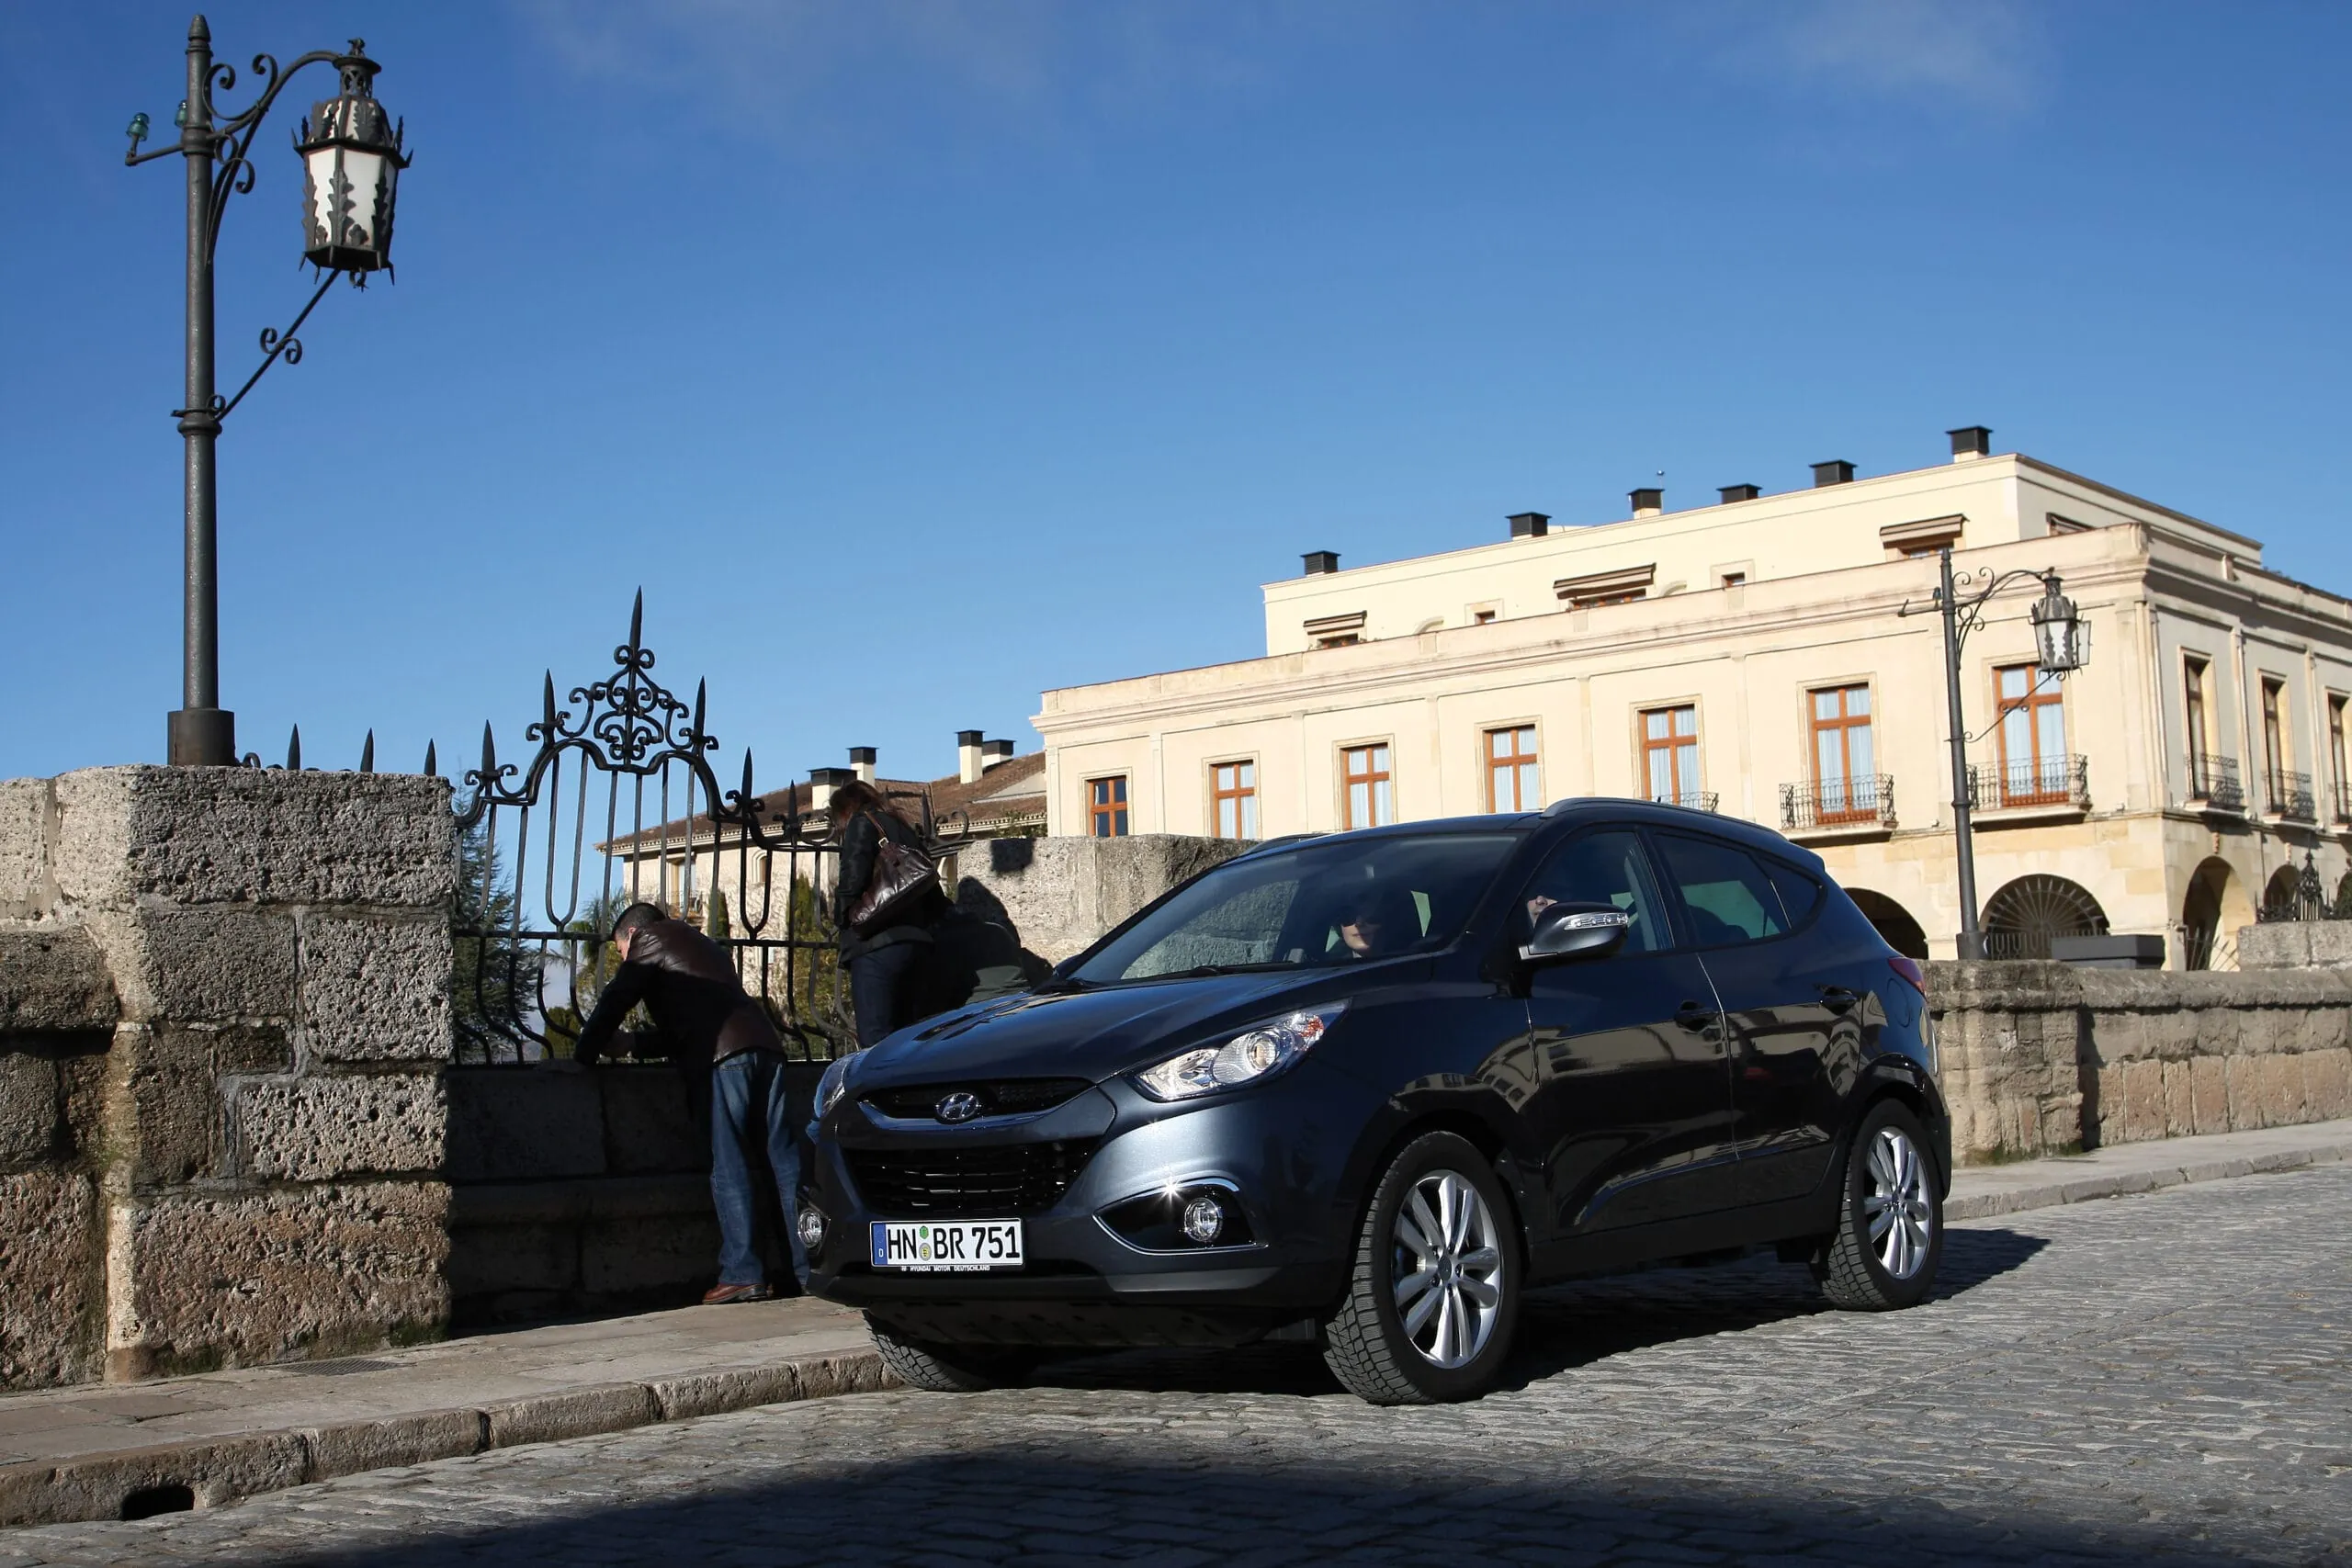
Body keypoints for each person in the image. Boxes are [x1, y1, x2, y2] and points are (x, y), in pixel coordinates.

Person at [572, 901, 807, 1304]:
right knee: (783, 1165)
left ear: (632, 935)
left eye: (620, 950)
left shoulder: (650, 938)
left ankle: (743, 1272)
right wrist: (633, 1045)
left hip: (723, 1059)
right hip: (765, 1047)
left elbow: (617, 997)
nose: (625, 958)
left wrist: (582, 1058)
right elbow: (691, 1023)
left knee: (727, 1162)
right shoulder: (699, 943)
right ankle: (804, 1268)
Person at [828, 781, 949, 1046]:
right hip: (918, 943)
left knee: (877, 1041)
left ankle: (883, 1088)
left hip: (877, 944)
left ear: (845, 809)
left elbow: (853, 879)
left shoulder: (862, 823)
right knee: (912, 1040)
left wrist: (842, 918)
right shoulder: (904, 827)